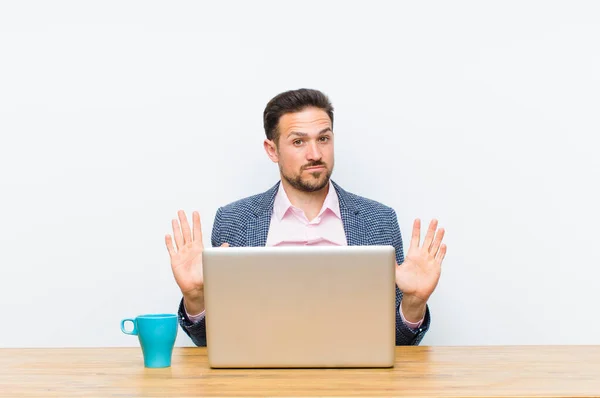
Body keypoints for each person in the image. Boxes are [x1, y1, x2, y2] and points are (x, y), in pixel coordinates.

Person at [165, 88, 447, 347]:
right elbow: (213, 343)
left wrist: (414, 302)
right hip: (259, 380)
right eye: (298, 141)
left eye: (323, 139)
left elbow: (396, 345)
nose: (315, 154)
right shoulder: (235, 221)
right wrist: (194, 297)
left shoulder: (378, 220)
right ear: (272, 150)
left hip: (354, 381)